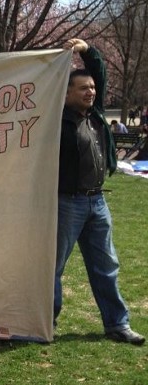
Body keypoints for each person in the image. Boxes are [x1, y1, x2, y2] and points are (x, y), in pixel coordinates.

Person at [55, 38, 144, 345]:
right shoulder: (56, 120)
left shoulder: (95, 115)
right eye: (83, 88)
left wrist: (86, 50)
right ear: (66, 94)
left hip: (97, 201)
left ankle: (117, 324)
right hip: (66, 203)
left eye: (92, 88)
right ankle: (46, 322)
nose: (91, 91)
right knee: (53, 267)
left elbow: (101, 72)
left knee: (106, 264)